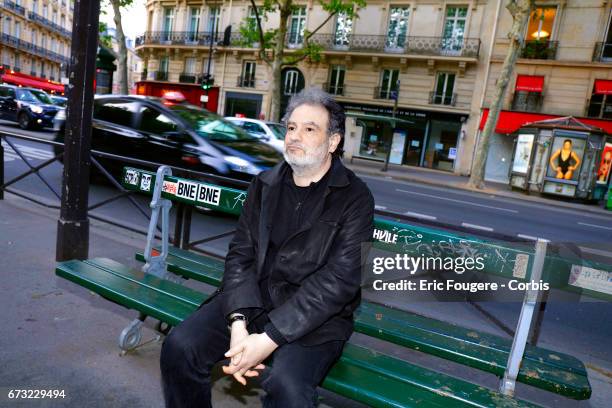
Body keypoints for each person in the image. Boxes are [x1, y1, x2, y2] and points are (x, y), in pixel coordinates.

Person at [159, 87, 375, 408]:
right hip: (252, 302)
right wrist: (238, 324)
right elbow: (240, 256)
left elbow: (339, 283)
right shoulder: (265, 184)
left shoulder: (355, 198)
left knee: (287, 388)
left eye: (309, 129)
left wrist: (269, 339)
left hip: (314, 320)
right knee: (180, 347)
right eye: (291, 127)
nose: (295, 136)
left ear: (333, 141)